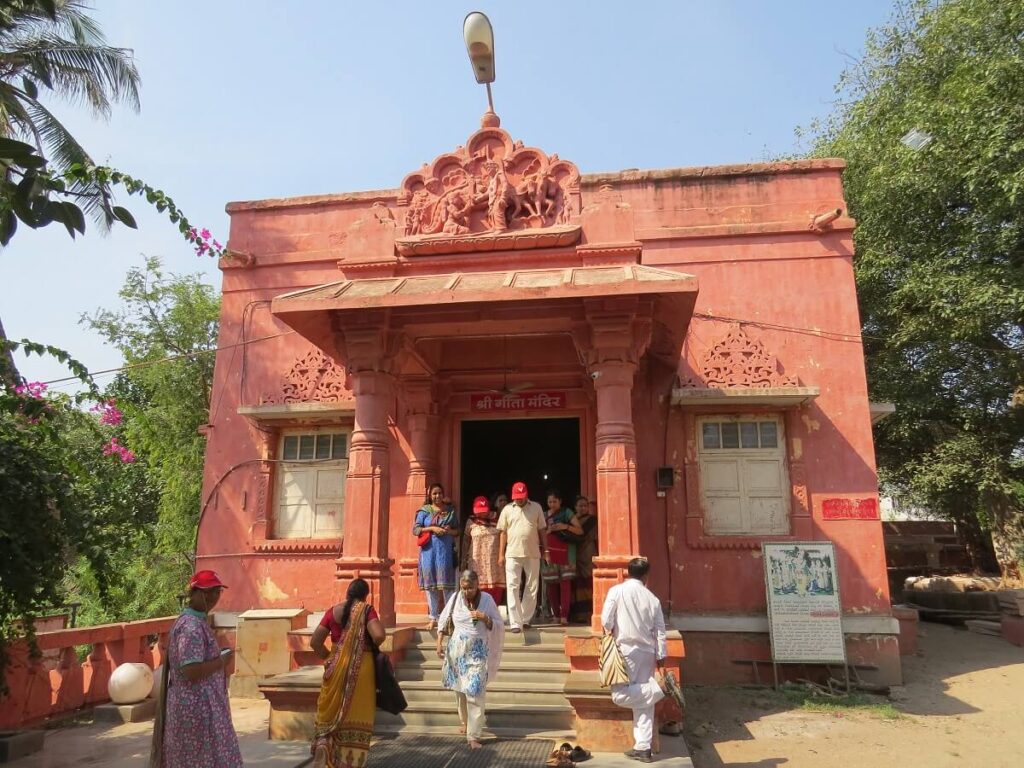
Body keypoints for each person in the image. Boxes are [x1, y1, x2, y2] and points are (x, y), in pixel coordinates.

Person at [153, 569, 243, 768]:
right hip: (195, 707)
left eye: (218, 593)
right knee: (198, 758)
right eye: (212, 593)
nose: (215, 598)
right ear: (201, 594)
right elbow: (190, 670)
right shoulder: (190, 627)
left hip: (203, 704)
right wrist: (221, 661)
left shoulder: (196, 622)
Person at [309, 578, 387, 768]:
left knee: (330, 714)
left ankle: (325, 751)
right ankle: (350, 762)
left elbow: (315, 642)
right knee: (356, 715)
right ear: (365, 595)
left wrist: (330, 658)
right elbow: (378, 635)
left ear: (347, 593)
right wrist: (362, 646)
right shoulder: (366, 610)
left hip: (335, 668)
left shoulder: (332, 611)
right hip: (361, 670)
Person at [601, 557, 667, 764]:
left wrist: (610, 629)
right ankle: (643, 747)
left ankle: (658, 690)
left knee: (619, 695)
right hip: (647, 652)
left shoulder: (616, 591)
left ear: (628, 572)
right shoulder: (652, 598)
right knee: (645, 704)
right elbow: (660, 631)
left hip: (624, 650)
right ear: (646, 575)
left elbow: (605, 620)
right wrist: (661, 656)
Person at [436, 570, 504, 749]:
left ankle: (473, 735)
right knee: (459, 690)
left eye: (471, 588)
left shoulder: (487, 600)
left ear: (477, 585)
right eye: (464, 588)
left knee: (475, 691)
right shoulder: (456, 598)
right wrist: (439, 643)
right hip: (457, 651)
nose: (467, 592)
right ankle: (465, 723)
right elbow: (444, 619)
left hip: (477, 652)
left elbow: (498, 624)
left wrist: (485, 618)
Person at [496, 481, 547, 633]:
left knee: (532, 586)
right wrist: (500, 554)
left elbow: (542, 530)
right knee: (512, 586)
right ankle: (515, 622)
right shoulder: (506, 509)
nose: (519, 499)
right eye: (517, 497)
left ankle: (525, 619)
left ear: (526, 495)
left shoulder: (536, 507)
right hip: (512, 553)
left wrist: (547, 551)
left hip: (532, 553)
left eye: (521, 497)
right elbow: (503, 533)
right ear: (513, 496)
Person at [414, 482, 459, 629]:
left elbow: (457, 531)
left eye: (439, 493)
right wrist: (433, 528)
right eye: (434, 493)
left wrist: (448, 530)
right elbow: (415, 530)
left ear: (443, 494)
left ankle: (448, 617)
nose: (437, 496)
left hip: (445, 552)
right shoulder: (424, 511)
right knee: (431, 586)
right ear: (430, 495)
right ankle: (433, 617)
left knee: (447, 586)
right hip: (428, 553)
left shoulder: (450, 511)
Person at [543, 490, 583, 625]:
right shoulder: (543, 515)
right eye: (549, 502)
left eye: (555, 501)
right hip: (549, 552)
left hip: (566, 552)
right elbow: (539, 533)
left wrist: (564, 526)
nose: (552, 504)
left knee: (565, 584)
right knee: (551, 584)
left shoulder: (567, 513)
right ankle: (556, 615)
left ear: (560, 501)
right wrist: (548, 530)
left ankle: (564, 616)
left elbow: (580, 530)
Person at [462, 495, 505, 605]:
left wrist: (502, 555)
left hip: (495, 561)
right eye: (479, 511)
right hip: (477, 561)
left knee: (496, 587)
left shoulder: (498, 519)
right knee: (476, 586)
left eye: (483, 511)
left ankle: (493, 612)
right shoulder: (471, 521)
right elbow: (466, 540)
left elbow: (504, 536)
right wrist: (463, 559)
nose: (481, 514)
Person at [572, 496, 598, 620]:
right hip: (575, 554)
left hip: (588, 553)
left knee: (589, 582)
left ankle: (590, 613)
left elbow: (589, 536)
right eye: (580, 506)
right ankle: (578, 615)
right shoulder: (572, 521)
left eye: (585, 506)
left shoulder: (592, 520)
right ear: (575, 507)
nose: (583, 508)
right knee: (577, 583)